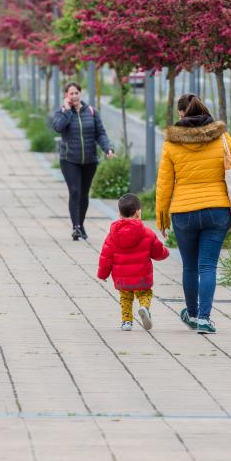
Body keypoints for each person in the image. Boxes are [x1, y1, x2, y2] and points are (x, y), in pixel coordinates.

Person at [155, 94, 231, 335]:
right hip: (217, 210)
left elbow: (164, 184)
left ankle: (192, 314)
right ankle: (204, 318)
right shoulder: (222, 137)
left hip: (184, 212)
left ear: (181, 114)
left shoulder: (171, 143)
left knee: (189, 267)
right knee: (208, 267)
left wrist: (161, 216)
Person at [97, 193, 170, 331]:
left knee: (126, 297)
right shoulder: (147, 232)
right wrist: (165, 253)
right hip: (141, 276)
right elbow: (158, 251)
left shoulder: (112, 235)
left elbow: (105, 256)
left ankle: (126, 322)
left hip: (122, 278)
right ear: (138, 213)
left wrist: (103, 274)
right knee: (145, 294)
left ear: (120, 214)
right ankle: (144, 308)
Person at [52, 82, 114, 241]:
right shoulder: (61, 112)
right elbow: (58, 128)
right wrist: (66, 111)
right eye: (70, 94)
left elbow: (100, 134)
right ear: (66, 96)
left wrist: (107, 148)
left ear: (81, 93)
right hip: (69, 159)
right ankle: (76, 227)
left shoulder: (92, 112)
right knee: (74, 192)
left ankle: (80, 223)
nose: (74, 96)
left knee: (84, 194)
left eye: (76, 93)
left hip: (89, 160)